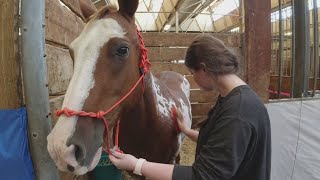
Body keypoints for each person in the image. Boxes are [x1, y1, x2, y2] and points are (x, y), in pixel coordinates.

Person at [109, 34, 271, 180]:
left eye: (192, 73)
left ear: (204, 69)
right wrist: (187, 131)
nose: (193, 79)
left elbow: (201, 176)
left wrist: (137, 165)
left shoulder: (238, 112)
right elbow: (221, 143)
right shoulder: (231, 99)